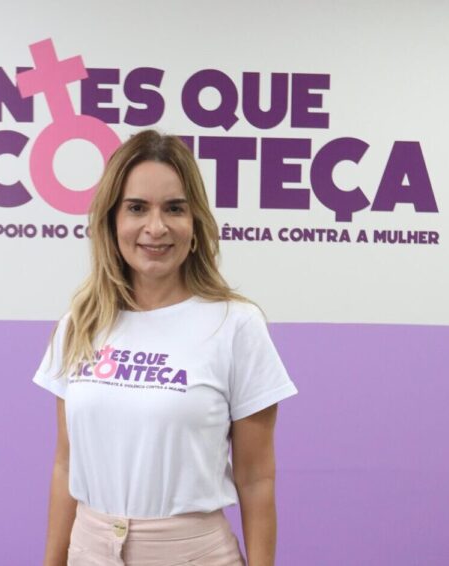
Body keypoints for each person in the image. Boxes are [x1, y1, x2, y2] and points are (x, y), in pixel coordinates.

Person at [32, 129, 298, 566]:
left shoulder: (236, 326)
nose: (156, 228)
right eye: (137, 208)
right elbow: (66, 465)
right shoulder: (80, 324)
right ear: (112, 221)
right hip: (88, 552)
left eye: (174, 208)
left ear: (195, 224)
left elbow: (255, 479)